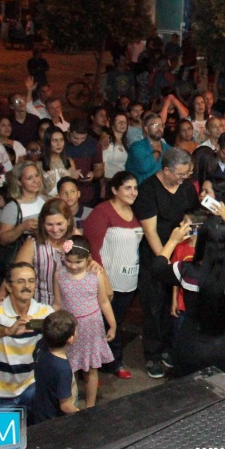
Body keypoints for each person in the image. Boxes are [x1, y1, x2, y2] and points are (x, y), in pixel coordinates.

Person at [150, 210, 225, 378]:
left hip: (193, 344)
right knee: (221, 391)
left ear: (202, 243)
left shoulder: (187, 271)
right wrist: (223, 233)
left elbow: (157, 268)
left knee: (188, 392)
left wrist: (173, 241)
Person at [134, 148, 200, 378]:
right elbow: (150, 231)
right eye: (180, 175)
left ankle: (169, 349)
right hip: (157, 255)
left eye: (187, 175)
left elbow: (193, 215)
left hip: (180, 254)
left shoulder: (186, 187)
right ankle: (152, 354)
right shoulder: (148, 190)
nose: (184, 179)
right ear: (166, 171)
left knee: (175, 307)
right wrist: (164, 260)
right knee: (154, 306)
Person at [83, 171, 143, 379]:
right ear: (114, 190)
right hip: (106, 281)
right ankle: (91, 369)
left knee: (115, 323)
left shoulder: (134, 212)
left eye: (135, 188)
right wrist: (104, 282)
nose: (133, 192)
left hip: (129, 280)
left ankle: (111, 363)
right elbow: (92, 250)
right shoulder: (101, 212)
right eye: (127, 188)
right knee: (99, 324)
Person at [0, 261, 53, 413]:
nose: (27, 286)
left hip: (31, 389)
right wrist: (8, 330)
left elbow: (63, 328)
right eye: (21, 281)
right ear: (8, 286)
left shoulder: (44, 312)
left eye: (31, 281)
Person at [53, 236, 115, 409]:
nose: (73, 266)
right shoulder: (59, 274)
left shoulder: (95, 275)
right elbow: (57, 303)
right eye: (69, 261)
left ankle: (90, 406)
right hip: (68, 328)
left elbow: (103, 301)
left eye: (78, 262)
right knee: (67, 369)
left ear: (88, 259)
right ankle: (68, 404)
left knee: (90, 369)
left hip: (91, 328)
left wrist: (113, 324)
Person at [31, 310, 79, 424]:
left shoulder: (41, 345)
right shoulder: (62, 368)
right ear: (70, 339)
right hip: (54, 419)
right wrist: (81, 415)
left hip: (41, 409)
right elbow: (65, 406)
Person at [65, 118, 103, 208]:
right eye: (75, 138)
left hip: (86, 193)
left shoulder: (94, 144)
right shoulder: (61, 142)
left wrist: (93, 174)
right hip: (65, 193)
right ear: (68, 131)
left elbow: (100, 170)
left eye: (83, 138)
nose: (79, 141)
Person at [125, 112, 170, 185]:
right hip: (142, 191)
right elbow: (143, 167)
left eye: (161, 125)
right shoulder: (137, 147)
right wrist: (155, 155)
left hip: (163, 191)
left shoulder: (168, 148)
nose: (159, 128)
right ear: (146, 128)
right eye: (155, 125)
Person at [41, 126, 79, 196]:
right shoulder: (39, 164)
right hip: (49, 204)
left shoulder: (69, 161)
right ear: (48, 142)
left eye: (61, 140)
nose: (59, 144)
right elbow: (40, 192)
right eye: (55, 140)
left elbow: (73, 187)